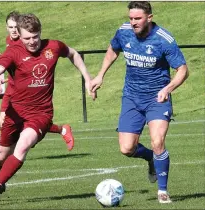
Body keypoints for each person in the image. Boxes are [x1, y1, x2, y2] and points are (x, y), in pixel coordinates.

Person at [0, 13, 96, 203]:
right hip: (15, 112)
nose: (32, 42)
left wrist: (87, 78)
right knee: (0, 156)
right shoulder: (13, 51)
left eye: (35, 37)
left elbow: (73, 54)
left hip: (41, 113)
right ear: (19, 34)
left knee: (24, 144)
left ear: (40, 32)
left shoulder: (53, 46)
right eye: (27, 38)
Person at [90, 1, 189, 204]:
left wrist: (167, 89)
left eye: (138, 18)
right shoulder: (124, 31)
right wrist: (100, 75)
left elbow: (183, 70)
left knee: (158, 141)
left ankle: (162, 191)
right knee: (126, 149)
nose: (133, 22)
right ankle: (151, 159)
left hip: (156, 99)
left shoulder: (164, 40)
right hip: (131, 98)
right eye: (131, 18)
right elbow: (112, 50)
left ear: (149, 18)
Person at [0, 11, 75, 152]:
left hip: (23, 94)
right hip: (12, 90)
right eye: (10, 27)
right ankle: (3, 157)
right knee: (8, 124)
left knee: (23, 128)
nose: (13, 30)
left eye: (15, 27)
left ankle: (7, 156)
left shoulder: (30, 41)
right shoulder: (11, 42)